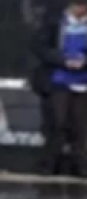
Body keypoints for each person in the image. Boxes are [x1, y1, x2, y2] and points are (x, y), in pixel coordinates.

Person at [32, 0, 87, 176]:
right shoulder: (54, 22)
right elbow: (39, 47)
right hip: (58, 80)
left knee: (81, 126)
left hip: (83, 81)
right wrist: (62, 60)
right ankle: (49, 164)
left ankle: (80, 166)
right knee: (57, 122)